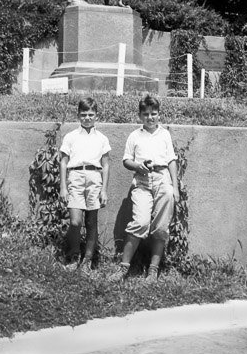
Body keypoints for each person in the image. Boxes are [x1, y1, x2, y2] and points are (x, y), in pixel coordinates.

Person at [111, 95, 179, 283]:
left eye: (154, 114)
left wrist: (175, 187)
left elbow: (171, 160)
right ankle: (123, 268)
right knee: (140, 222)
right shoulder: (135, 135)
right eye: (146, 114)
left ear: (159, 115)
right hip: (142, 182)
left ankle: (153, 270)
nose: (150, 117)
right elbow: (126, 160)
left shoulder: (164, 134)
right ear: (140, 115)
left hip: (163, 180)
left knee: (160, 227)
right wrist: (137, 166)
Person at [60, 97, 111, 275]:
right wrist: (63, 187)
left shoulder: (102, 139)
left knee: (91, 222)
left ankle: (87, 261)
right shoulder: (71, 137)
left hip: (95, 177)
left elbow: (105, 165)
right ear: (78, 115)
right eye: (84, 115)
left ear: (96, 115)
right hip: (75, 176)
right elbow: (64, 162)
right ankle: (74, 255)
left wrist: (104, 189)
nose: (87, 118)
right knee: (75, 221)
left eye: (91, 114)